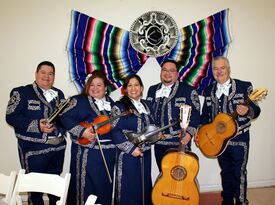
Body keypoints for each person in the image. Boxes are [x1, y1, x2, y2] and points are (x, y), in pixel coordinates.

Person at [198, 56, 261, 205]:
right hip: (218, 142)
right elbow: (205, 116)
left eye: (222, 68)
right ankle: (226, 201)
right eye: (215, 68)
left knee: (239, 173)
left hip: (239, 140)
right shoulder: (209, 90)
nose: (219, 71)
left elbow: (257, 111)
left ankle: (241, 202)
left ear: (229, 69)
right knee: (225, 172)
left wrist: (247, 111)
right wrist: (201, 132)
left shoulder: (244, 86)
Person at [6, 61, 67, 205]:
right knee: (35, 191)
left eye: (51, 74)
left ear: (54, 77)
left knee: (54, 189)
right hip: (34, 149)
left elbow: (64, 117)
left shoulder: (59, 94)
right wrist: (37, 126)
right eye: (43, 72)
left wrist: (60, 130)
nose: (47, 76)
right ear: (36, 74)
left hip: (57, 149)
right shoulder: (21, 92)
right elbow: (11, 117)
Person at [60, 70, 116, 205]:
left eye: (99, 85)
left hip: (108, 155)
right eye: (92, 85)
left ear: (105, 88)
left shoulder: (113, 104)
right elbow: (64, 117)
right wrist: (82, 132)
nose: (95, 88)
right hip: (86, 154)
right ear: (87, 86)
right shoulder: (78, 100)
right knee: (85, 188)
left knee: (104, 187)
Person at [146, 59, 201, 171]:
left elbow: (195, 114)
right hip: (159, 143)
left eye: (171, 70)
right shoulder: (152, 90)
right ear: (161, 72)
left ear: (177, 74)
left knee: (180, 177)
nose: (167, 73)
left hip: (179, 142)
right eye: (164, 70)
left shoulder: (188, 90)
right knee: (164, 175)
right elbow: (148, 114)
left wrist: (189, 134)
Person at [111, 74, 154, 205]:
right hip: (127, 155)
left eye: (136, 85)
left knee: (144, 185)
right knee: (129, 187)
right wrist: (131, 149)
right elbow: (114, 131)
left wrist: (156, 135)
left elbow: (151, 126)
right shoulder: (119, 107)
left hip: (145, 153)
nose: (133, 88)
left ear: (141, 88)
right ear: (124, 89)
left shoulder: (146, 105)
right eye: (129, 85)